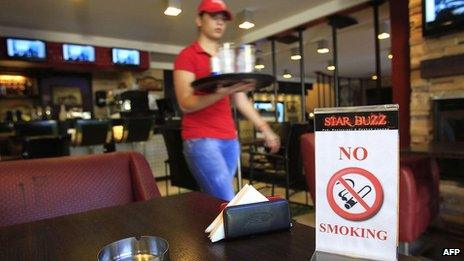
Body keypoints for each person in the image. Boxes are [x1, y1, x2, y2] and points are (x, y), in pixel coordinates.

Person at [173, 0, 280, 201]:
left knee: (217, 201)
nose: (219, 22)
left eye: (223, 19)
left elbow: (241, 100)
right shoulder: (187, 56)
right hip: (201, 140)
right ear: (199, 20)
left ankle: (209, 231)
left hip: (230, 140)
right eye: (213, 17)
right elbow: (186, 103)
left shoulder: (226, 59)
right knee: (226, 200)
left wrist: (265, 129)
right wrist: (222, 93)